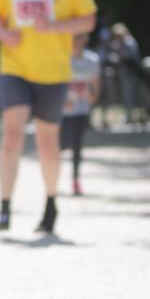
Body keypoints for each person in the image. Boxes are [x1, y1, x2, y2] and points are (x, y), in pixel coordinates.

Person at [0, 0, 96, 234]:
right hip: (15, 68)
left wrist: (55, 27)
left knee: (48, 142)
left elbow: (88, 20)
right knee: (12, 134)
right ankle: (4, 208)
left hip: (53, 71)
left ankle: (50, 204)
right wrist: (3, 34)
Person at [60, 33, 101, 196]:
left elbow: (96, 84)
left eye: (80, 38)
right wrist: (62, 100)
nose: (77, 42)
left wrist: (93, 97)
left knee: (77, 146)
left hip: (81, 110)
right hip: (62, 112)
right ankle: (52, 178)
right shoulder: (62, 58)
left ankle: (76, 180)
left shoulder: (92, 60)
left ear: (85, 39)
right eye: (74, 38)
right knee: (60, 145)